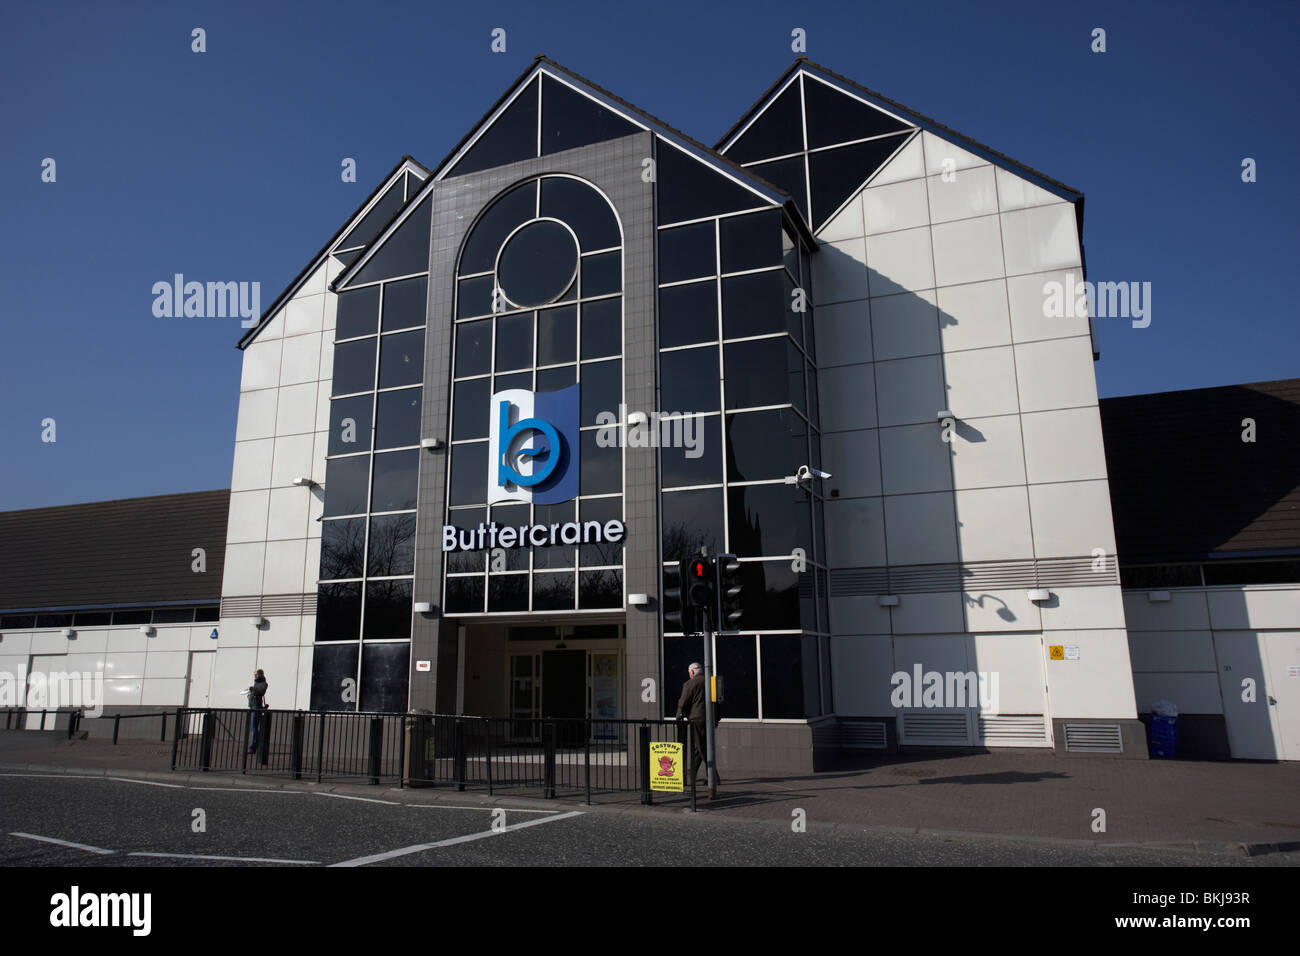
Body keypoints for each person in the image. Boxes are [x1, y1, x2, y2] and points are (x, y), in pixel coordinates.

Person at [675, 663, 719, 785]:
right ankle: (692, 773)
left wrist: (678, 717)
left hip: (697, 719)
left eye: (689, 672)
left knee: (702, 747)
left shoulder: (690, 684)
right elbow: (718, 702)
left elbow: (683, 702)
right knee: (698, 747)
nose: (689, 674)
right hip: (709, 719)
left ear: (693, 672)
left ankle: (713, 776)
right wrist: (716, 719)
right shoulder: (711, 682)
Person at [246, 669, 268, 754]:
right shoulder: (256, 683)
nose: (255, 676)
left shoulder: (264, 683)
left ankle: (253, 746)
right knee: (253, 727)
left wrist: (253, 689)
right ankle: (254, 745)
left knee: (254, 727)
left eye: (256, 675)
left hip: (256, 707)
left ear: (260, 675)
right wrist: (250, 694)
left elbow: (261, 692)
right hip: (252, 706)